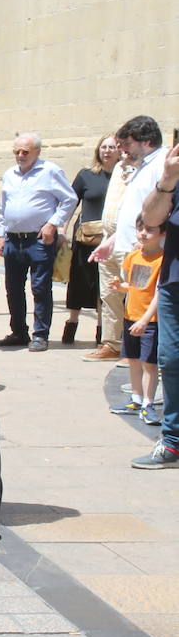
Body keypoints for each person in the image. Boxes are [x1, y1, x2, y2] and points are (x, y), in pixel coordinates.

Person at [89, 116, 167, 362]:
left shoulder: (162, 164)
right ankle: (116, 347)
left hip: (142, 250)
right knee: (114, 297)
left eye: (127, 144)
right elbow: (131, 209)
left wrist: (145, 242)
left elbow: (159, 210)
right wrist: (111, 241)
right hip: (121, 246)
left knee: (139, 301)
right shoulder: (140, 165)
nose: (122, 150)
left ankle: (139, 356)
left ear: (146, 141)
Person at [0, 132, 77, 351]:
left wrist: (53, 223)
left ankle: (40, 334)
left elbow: (69, 199)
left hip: (38, 240)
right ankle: (19, 331)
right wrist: (1, 235)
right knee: (13, 288)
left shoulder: (50, 171)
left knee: (40, 287)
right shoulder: (9, 174)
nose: (20, 155)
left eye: (25, 152)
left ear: (37, 152)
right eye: (16, 152)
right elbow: (3, 207)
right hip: (13, 240)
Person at [135, 137, 179, 470]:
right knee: (171, 359)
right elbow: (150, 218)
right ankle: (173, 442)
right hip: (173, 284)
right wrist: (166, 181)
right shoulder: (172, 181)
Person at [64, 135, 119, 344]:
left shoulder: (124, 177)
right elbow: (70, 203)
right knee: (78, 282)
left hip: (111, 240)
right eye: (104, 147)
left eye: (112, 147)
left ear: (119, 150)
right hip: (86, 239)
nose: (107, 151)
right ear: (98, 150)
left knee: (103, 286)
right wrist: (63, 229)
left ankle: (100, 330)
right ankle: (72, 323)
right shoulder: (86, 175)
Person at [108, 216, 162, 425]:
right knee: (133, 360)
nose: (143, 233)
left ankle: (148, 403)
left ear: (163, 234)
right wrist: (120, 286)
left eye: (149, 230)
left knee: (149, 364)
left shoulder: (163, 260)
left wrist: (145, 320)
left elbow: (158, 293)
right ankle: (136, 399)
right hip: (131, 316)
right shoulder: (133, 257)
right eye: (140, 229)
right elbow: (135, 285)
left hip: (150, 321)